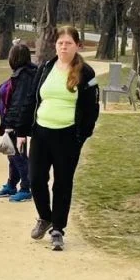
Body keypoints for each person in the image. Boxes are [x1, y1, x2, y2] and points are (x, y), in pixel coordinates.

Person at [29, 26, 100, 251]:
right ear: (55, 45)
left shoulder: (85, 73)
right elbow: (33, 98)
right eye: (60, 43)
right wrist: (20, 129)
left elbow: (91, 109)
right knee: (36, 179)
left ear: (77, 46)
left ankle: (58, 228)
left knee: (62, 183)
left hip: (67, 135)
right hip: (41, 132)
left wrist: (81, 136)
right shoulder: (45, 68)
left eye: (68, 43)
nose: (63, 47)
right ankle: (45, 216)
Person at [0, 43, 39, 203]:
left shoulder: (24, 76)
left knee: (18, 156)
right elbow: (10, 98)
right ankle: (12, 184)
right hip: (14, 122)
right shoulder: (22, 74)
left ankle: (26, 188)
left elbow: (19, 104)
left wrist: (11, 126)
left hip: (16, 124)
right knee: (12, 155)